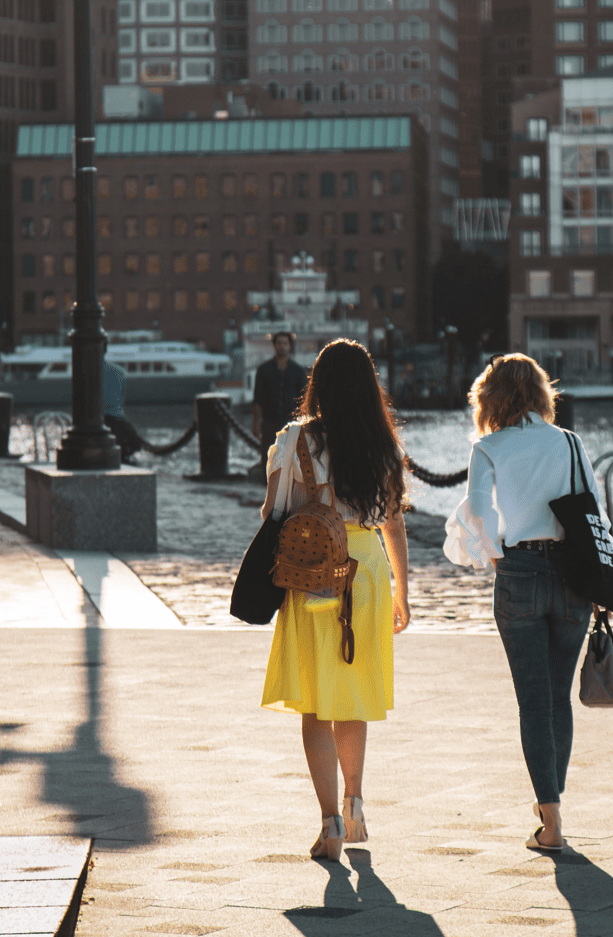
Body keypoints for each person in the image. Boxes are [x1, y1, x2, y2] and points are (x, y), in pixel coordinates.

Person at [443, 354, 613, 853]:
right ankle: (552, 810)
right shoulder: (569, 443)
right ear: (542, 394)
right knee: (557, 698)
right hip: (571, 574)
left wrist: (497, 558)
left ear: (490, 398)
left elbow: (479, 510)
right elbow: (594, 514)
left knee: (531, 701)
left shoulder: (489, 447)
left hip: (519, 570)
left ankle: (552, 819)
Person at [260, 339, 411, 863]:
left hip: (314, 572)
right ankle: (355, 807)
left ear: (317, 384)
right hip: (368, 573)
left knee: (315, 706)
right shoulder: (384, 444)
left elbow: (272, 512)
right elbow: (393, 521)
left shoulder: (296, 440)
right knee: (352, 699)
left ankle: (329, 825)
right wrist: (403, 594)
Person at [252, 331, 307, 459]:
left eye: (285, 343)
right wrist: (255, 422)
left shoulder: (298, 371)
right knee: (268, 458)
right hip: (269, 422)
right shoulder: (264, 369)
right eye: (279, 343)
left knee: (291, 459)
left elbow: (303, 399)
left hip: (291, 423)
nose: (282, 346)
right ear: (274, 345)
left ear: (290, 346)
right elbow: (258, 397)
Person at [103, 349, 145, 464]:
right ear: (105, 349)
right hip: (120, 423)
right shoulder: (120, 371)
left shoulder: (86, 372)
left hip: (100, 425)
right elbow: (120, 400)